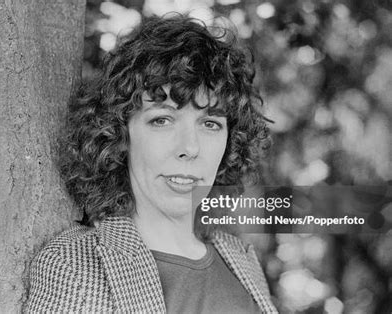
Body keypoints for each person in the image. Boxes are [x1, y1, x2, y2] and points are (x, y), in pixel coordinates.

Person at [26, 14, 277, 313]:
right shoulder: (74, 267)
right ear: (119, 134)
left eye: (210, 123)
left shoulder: (241, 258)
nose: (190, 148)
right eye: (162, 120)